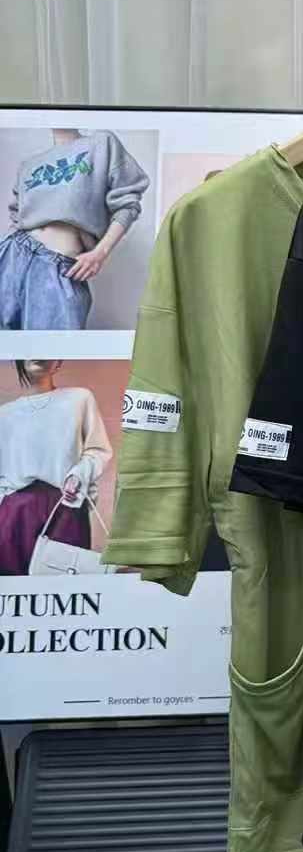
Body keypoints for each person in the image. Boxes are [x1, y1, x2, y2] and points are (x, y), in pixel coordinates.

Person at [0, 128, 150, 329]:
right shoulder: (28, 165)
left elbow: (128, 205)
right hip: (11, 257)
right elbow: (16, 217)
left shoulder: (101, 144)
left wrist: (100, 253)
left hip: (60, 267)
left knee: (51, 348)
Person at [0, 360, 112, 574]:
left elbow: (98, 450)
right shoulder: (4, 414)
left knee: (67, 583)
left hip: (65, 506)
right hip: (13, 513)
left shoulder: (79, 399)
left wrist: (78, 476)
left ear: (58, 363)